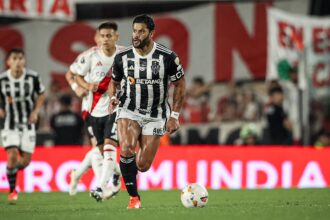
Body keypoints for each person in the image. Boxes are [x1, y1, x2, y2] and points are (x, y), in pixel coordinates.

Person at [108, 14, 186, 209]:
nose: (136, 35)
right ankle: (134, 198)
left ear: (151, 33)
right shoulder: (122, 57)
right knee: (126, 149)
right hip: (129, 110)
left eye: (141, 31)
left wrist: (174, 116)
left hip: (156, 114)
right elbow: (114, 82)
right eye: (134, 30)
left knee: (142, 165)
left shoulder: (167, 57)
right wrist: (112, 97)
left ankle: (122, 171)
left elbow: (180, 84)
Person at [75, 21, 125, 201]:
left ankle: (100, 186)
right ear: (99, 37)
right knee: (104, 152)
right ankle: (117, 172)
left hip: (115, 108)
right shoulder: (90, 56)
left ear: (116, 37)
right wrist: (87, 85)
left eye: (109, 35)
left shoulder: (124, 54)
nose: (105, 39)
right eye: (103, 36)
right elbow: (77, 76)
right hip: (94, 112)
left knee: (111, 145)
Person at [0, 48, 46, 201]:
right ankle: (12, 191)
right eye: (14, 58)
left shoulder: (33, 77)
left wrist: (36, 111)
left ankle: (10, 171)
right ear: (8, 62)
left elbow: (41, 93)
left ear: (24, 60)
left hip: (28, 124)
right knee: (12, 154)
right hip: (9, 124)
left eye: (20, 58)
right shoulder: (2, 80)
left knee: (25, 161)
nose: (18, 61)